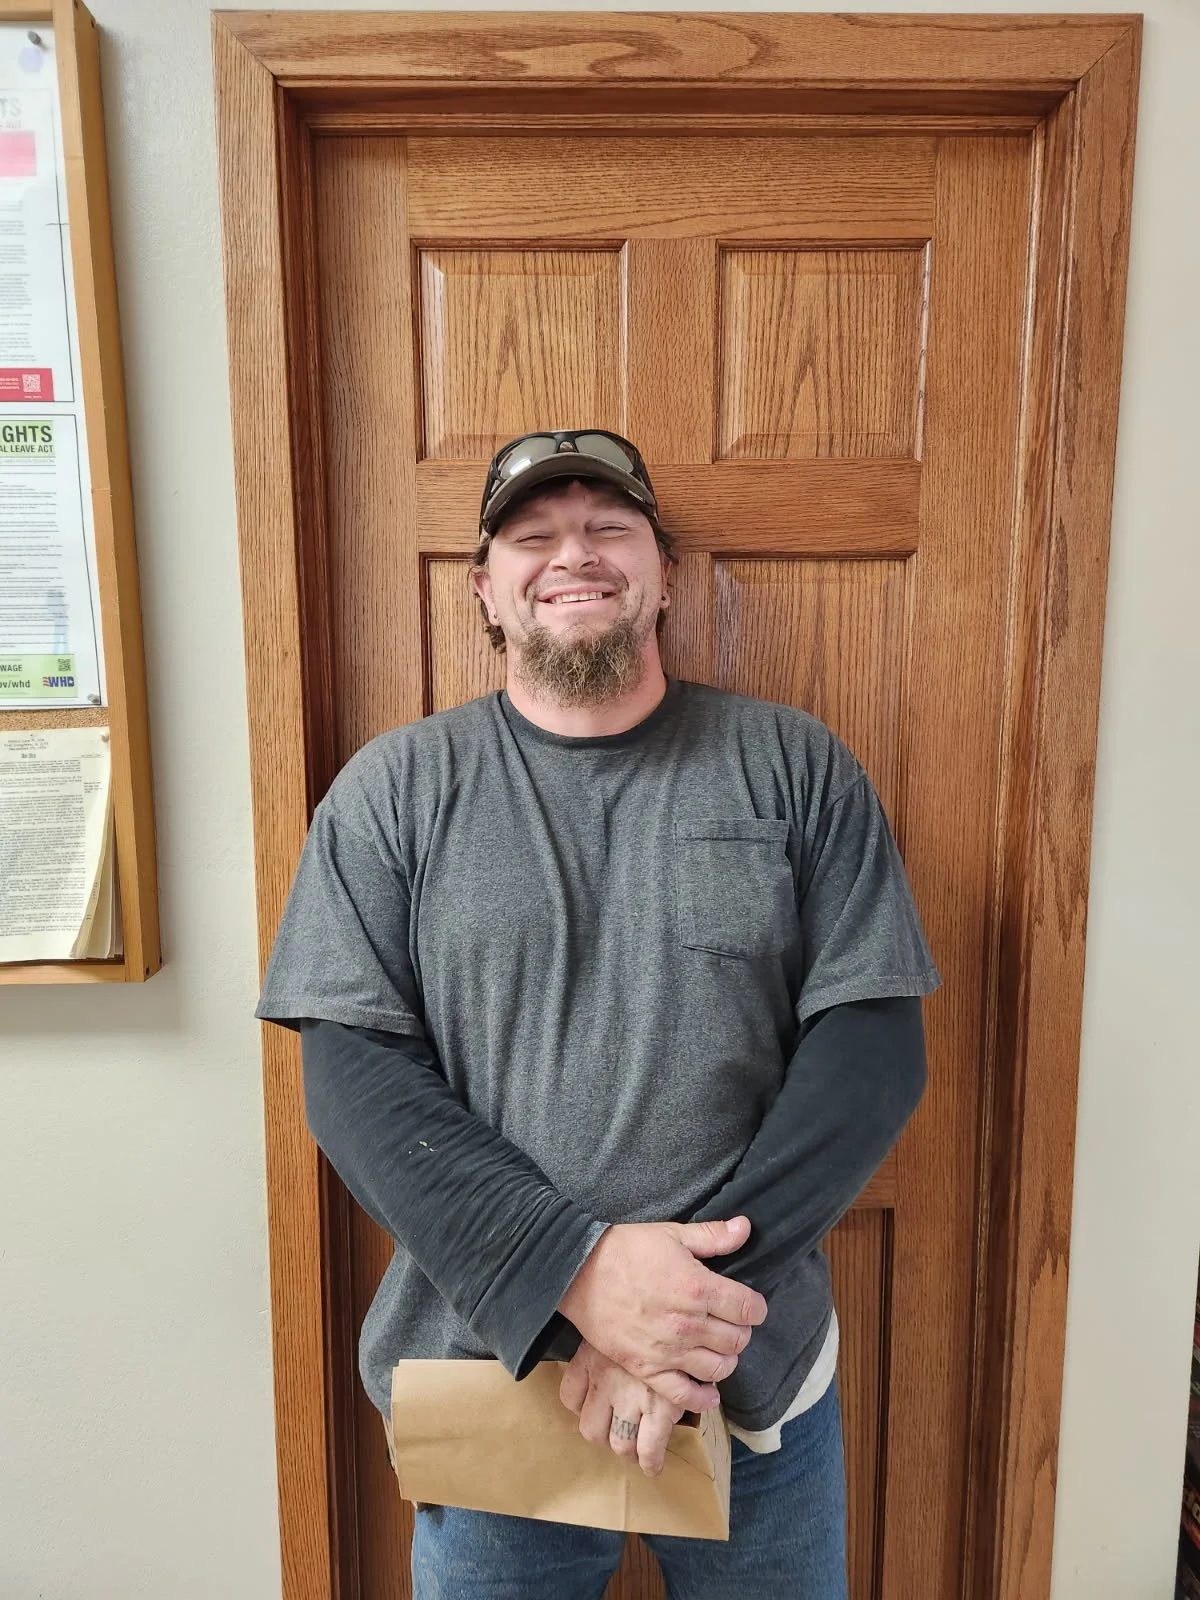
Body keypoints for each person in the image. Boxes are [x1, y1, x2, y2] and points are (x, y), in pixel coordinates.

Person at [256, 428, 941, 1600]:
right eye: (534, 537)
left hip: (751, 1373)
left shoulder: (794, 767)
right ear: (485, 586)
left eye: (608, 529)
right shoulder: (393, 793)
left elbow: (872, 1051)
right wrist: (573, 1274)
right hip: (494, 1377)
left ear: (664, 570)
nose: (573, 555)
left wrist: (679, 1324)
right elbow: (354, 1080)